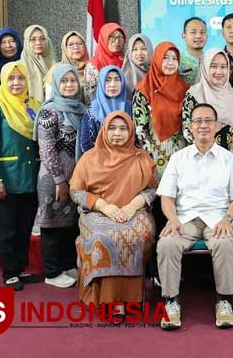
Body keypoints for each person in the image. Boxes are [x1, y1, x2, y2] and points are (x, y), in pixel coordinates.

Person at [156, 103, 233, 330]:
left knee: (225, 243)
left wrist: (227, 218)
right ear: (190, 126)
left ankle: (224, 301)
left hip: (218, 218)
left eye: (208, 121)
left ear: (216, 126)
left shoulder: (230, 160)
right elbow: (166, 197)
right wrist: (173, 219)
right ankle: (170, 302)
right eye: (198, 121)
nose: (203, 125)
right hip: (185, 218)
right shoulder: (178, 158)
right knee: (167, 242)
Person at [70, 111, 157, 315]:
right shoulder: (90, 158)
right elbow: (76, 192)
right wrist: (103, 206)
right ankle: (110, 300)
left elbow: (153, 189)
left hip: (133, 211)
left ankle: (131, 298)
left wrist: (132, 206)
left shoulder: (141, 157)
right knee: (104, 237)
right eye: (112, 128)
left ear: (131, 131)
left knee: (136, 235)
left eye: (123, 128)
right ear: (104, 130)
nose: (117, 133)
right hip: (97, 212)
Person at [0, 62, 40, 291]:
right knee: (7, 228)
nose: (16, 83)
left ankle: (21, 267)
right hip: (6, 177)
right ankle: (9, 271)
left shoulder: (33, 105)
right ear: (3, 82)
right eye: (11, 79)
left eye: (20, 79)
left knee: (25, 226)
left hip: (30, 175)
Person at [34, 64, 84, 289]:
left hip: (75, 177)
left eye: (72, 80)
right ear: (55, 84)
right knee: (52, 223)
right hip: (53, 179)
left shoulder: (81, 109)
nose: (69, 85)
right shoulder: (49, 111)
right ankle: (52, 272)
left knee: (69, 223)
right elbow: (46, 149)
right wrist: (59, 180)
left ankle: (66, 265)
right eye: (63, 81)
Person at [133, 42, 189, 178]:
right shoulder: (144, 89)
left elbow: (188, 122)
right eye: (165, 58)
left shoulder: (185, 89)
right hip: (153, 150)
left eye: (174, 58)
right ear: (157, 59)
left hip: (180, 150)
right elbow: (140, 127)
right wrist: (147, 155)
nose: (170, 62)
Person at [181, 48, 233, 158]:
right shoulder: (194, 95)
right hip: (202, 155)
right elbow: (188, 130)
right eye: (213, 66)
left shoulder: (232, 94)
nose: (219, 72)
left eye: (223, 67)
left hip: (230, 155)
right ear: (205, 67)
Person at [81, 66, 131, 153]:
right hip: (100, 163)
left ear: (122, 82)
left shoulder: (131, 108)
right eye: (107, 80)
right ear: (101, 83)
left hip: (128, 161)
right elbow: (86, 146)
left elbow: (137, 140)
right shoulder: (92, 112)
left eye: (117, 79)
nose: (112, 84)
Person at [84, 23, 126, 104]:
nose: (117, 41)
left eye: (120, 37)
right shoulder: (93, 65)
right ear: (103, 38)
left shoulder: (126, 61)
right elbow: (90, 98)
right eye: (112, 36)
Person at [44, 31, 89, 100]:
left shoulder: (92, 69)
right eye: (71, 44)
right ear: (65, 48)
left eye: (80, 43)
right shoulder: (56, 69)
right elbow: (49, 98)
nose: (76, 47)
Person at [20, 25, 55, 104]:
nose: (38, 42)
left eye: (42, 38)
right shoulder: (19, 66)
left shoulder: (55, 65)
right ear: (26, 42)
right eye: (33, 39)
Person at [122, 33, 153, 100]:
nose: (139, 53)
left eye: (144, 49)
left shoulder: (157, 74)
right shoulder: (123, 78)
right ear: (130, 52)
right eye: (134, 49)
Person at [179, 17, 208, 85]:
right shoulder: (177, 62)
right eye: (193, 32)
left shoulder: (212, 60)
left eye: (202, 32)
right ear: (184, 36)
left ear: (207, 36)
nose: (198, 36)